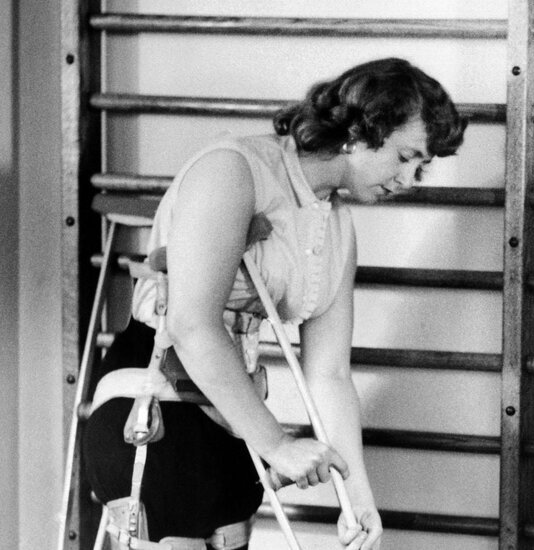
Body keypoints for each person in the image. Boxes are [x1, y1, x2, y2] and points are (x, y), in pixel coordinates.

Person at [83, 57, 467, 550]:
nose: (410, 179)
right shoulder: (233, 169)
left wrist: (357, 497)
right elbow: (192, 326)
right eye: (406, 157)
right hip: (151, 409)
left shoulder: (336, 225)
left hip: (230, 425)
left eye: (422, 166)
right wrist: (278, 445)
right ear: (359, 131)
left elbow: (329, 375)